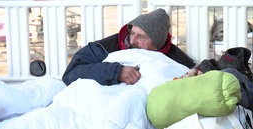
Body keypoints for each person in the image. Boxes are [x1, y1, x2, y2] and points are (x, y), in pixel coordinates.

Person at [62, 8, 195, 86]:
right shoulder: (103, 48)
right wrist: (116, 72)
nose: (132, 40)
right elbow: (70, 75)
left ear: (156, 45)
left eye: (141, 36)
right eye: (132, 33)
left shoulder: (175, 60)